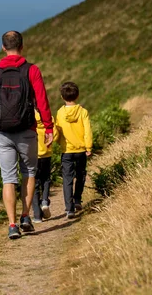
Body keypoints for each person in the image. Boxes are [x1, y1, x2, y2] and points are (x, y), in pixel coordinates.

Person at [0, 30, 54, 239]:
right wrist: (48, 127)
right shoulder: (32, 70)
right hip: (27, 130)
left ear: (3, 47)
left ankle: (12, 225)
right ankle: (25, 216)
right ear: (21, 47)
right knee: (29, 173)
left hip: (3, 132)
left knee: (8, 178)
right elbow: (42, 101)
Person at [55, 81, 93, 219]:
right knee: (81, 175)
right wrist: (88, 147)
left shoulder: (60, 112)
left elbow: (57, 131)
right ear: (77, 96)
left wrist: (58, 143)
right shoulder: (83, 112)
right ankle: (77, 199)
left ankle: (69, 208)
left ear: (62, 97)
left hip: (66, 151)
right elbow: (87, 131)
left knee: (67, 179)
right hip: (81, 150)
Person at [31, 109, 55, 223]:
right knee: (46, 179)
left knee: (34, 183)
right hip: (46, 153)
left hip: (33, 154)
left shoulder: (28, 114)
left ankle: (37, 216)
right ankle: (45, 201)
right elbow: (55, 132)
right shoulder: (47, 116)